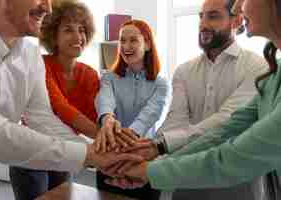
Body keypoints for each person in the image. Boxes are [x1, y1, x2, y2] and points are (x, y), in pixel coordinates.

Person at [108, 0, 281, 198]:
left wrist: (152, 167)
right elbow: (225, 131)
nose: (237, 6)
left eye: (213, 16)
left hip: (236, 189)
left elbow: (229, 145)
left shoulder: (259, 68)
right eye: (201, 16)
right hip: (184, 182)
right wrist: (156, 154)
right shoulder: (273, 73)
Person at [0, 0, 142, 199]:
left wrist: (100, 150)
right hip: (23, 157)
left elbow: (42, 119)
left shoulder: (29, 55)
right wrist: (91, 154)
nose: (48, 8)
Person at [9, 1, 100, 199]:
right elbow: (61, 108)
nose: (78, 37)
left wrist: (109, 134)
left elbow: (96, 117)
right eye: (68, 30)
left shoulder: (90, 75)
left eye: (82, 30)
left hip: (63, 149)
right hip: (31, 152)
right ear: (53, 35)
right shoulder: (40, 64)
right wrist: (103, 142)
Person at [94, 19, 170, 200]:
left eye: (133, 40)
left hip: (143, 160)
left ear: (148, 44)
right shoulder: (109, 78)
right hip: (109, 157)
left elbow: (148, 117)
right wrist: (107, 119)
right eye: (122, 40)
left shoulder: (161, 83)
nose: (126, 46)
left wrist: (125, 141)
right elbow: (105, 103)